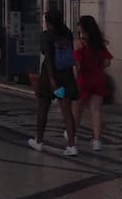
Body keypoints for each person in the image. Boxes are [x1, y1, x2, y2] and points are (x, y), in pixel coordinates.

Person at [30, 9, 79, 155]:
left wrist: (52, 81)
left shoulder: (46, 36)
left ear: (49, 21)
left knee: (42, 108)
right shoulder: (68, 33)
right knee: (67, 112)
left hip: (50, 77)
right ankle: (71, 146)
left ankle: (39, 141)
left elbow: (49, 59)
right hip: (66, 75)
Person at [74, 15, 112, 152]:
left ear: (83, 28)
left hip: (84, 78)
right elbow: (107, 61)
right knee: (96, 110)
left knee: (77, 109)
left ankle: (73, 135)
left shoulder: (79, 43)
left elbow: (77, 64)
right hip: (98, 78)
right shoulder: (98, 42)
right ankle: (96, 141)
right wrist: (98, 67)